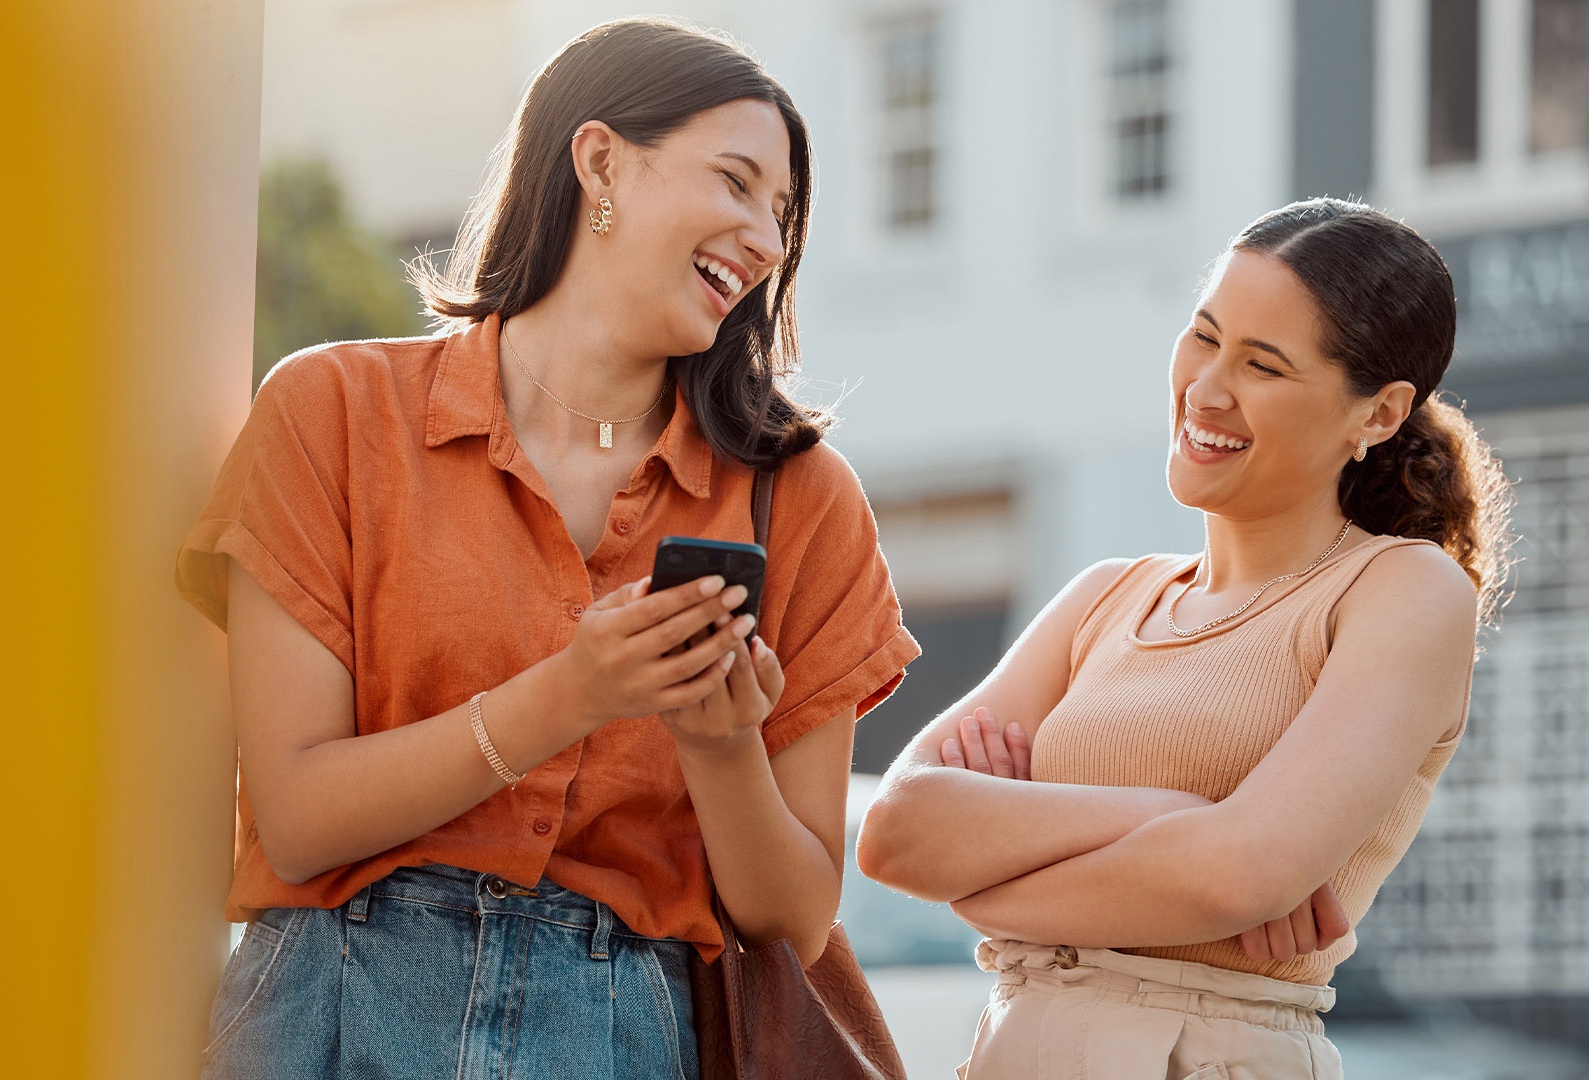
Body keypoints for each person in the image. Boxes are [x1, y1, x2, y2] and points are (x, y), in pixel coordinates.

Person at [176, 18, 918, 1078]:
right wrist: (570, 694)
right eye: (737, 181)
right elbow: (295, 819)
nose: (765, 239)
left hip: (618, 1031)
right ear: (600, 160)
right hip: (328, 1016)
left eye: (783, 213)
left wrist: (716, 746)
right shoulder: (331, 412)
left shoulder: (798, 500)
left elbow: (792, 918)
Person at [857, 197, 1514, 1079]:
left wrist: (983, 891)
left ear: (1379, 414)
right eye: (1203, 336)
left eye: (1264, 366)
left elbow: (1234, 879)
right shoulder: (1105, 596)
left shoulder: (1401, 591)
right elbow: (896, 835)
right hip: (1019, 1044)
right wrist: (1168, 817)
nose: (1207, 389)